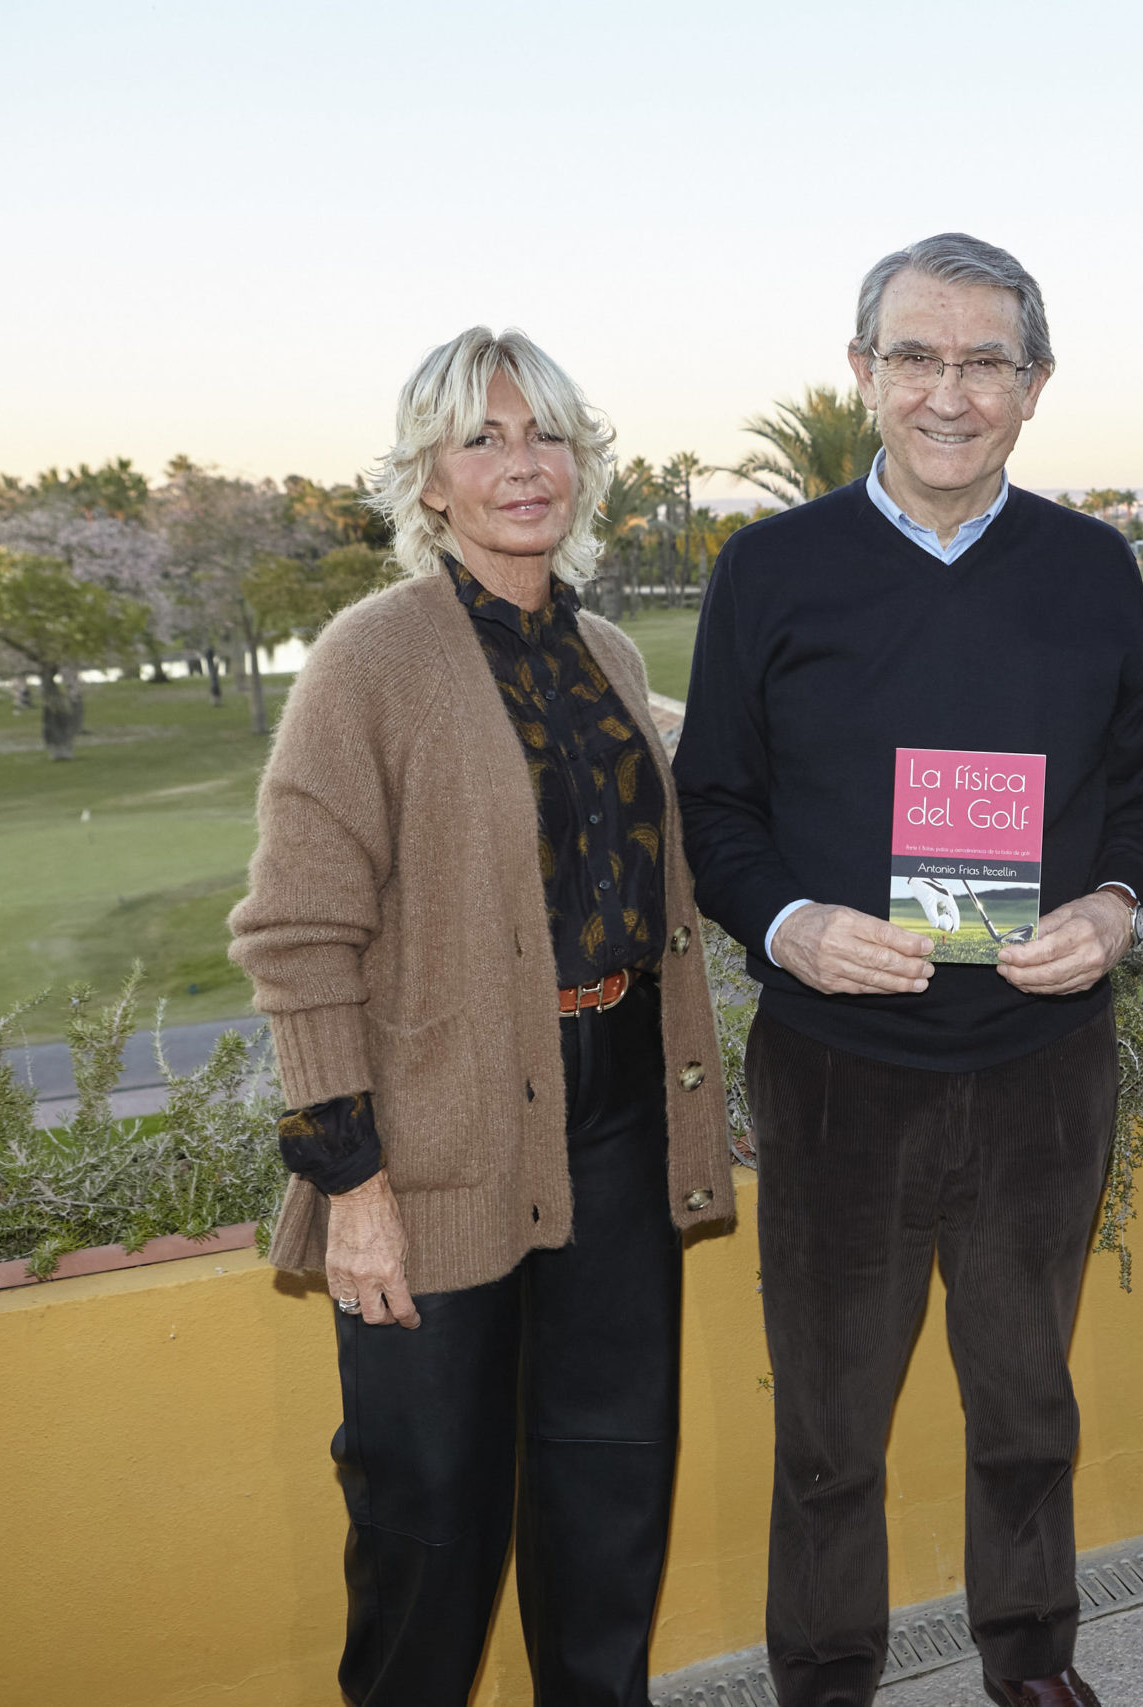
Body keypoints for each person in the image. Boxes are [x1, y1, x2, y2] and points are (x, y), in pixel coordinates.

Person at [672, 232, 1143, 1707]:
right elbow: (714, 806)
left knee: (1028, 1404)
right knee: (832, 1427)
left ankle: (1032, 1664)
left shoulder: (1094, 570)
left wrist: (1112, 901)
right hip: (840, 1075)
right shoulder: (771, 570)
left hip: (1042, 1068)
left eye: (984, 362)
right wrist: (790, 928)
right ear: (861, 375)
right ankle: (826, 1680)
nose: (947, 393)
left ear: (1034, 387)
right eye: (915, 357)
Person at [228, 327, 737, 1707]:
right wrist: (356, 1188)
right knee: (430, 1514)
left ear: (585, 464)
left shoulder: (614, 658)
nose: (525, 465)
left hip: (622, 1106)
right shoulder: (373, 658)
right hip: (442, 1134)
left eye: (549, 436)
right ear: (430, 483)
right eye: (484, 440)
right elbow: (298, 933)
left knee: (611, 1491)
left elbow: (701, 810)